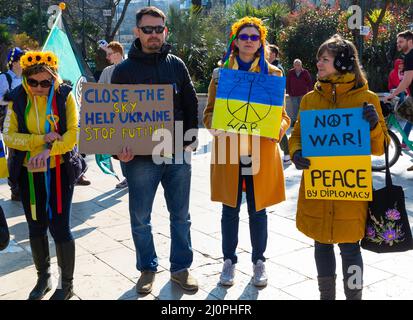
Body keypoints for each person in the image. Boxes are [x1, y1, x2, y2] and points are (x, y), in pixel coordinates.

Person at [289, 34, 388, 300]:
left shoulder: (366, 99)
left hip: (349, 195)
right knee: (321, 245)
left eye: (325, 59)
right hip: (318, 190)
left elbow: (380, 147)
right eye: (318, 58)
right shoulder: (310, 99)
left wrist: (374, 125)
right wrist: (296, 151)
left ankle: (353, 297)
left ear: (343, 63)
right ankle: (326, 296)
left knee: (350, 249)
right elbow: (297, 134)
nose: (318, 63)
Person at [111, 6, 199, 294]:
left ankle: (181, 268)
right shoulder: (122, 71)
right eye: (147, 29)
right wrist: (117, 150)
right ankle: (147, 268)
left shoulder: (177, 64)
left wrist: (190, 138)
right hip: (139, 160)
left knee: (181, 216)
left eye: (158, 29)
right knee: (140, 217)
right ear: (137, 32)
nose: (153, 35)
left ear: (165, 31)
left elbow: (190, 104)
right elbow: (113, 116)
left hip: (176, 153)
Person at [203, 17, 290, 287]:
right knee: (229, 210)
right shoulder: (220, 74)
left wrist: (275, 130)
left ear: (261, 41)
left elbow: (284, 117)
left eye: (255, 37)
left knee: (258, 210)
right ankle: (228, 261)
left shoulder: (274, 74)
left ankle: (259, 261)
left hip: (260, 150)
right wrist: (214, 127)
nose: (249, 41)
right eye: (244, 37)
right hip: (229, 149)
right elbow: (208, 113)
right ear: (235, 41)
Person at [3, 50, 79, 300]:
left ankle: (66, 285)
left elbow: (72, 136)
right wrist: (39, 140)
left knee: (60, 228)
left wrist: (49, 151)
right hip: (28, 175)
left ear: (54, 79)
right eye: (32, 82)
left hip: (59, 172)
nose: (38, 87)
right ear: (25, 79)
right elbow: (9, 136)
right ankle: (43, 278)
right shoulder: (16, 99)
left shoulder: (64, 96)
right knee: (35, 227)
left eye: (45, 82)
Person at [97, 41, 128, 189]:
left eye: (109, 54)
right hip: (114, 117)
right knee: (120, 148)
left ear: (118, 53)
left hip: (131, 117)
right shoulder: (107, 72)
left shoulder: (132, 68)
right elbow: (98, 92)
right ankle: (127, 177)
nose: (107, 57)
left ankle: (133, 177)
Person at [385, 30, 413, 169]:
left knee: (402, 113)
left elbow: (407, 80)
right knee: (405, 115)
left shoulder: (409, 57)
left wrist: (392, 95)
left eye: (401, 42)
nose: (398, 44)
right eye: (397, 42)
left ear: (410, 41)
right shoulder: (407, 56)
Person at [1, 47, 24, 201]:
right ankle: (14, 188)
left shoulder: (26, 78)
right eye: (22, 60)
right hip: (10, 122)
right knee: (14, 154)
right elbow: (0, 99)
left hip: (25, 120)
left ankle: (22, 185)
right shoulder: (4, 78)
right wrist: (16, 99)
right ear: (14, 63)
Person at [268, 44, 291, 165]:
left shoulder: (277, 68)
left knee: (278, 128)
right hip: (270, 102)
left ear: (275, 55)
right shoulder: (268, 66)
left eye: (270, 53)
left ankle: (287, 153)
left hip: (276, 103)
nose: (268, 54)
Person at [286, 59, 312, 126]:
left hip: (303, 94)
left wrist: (310, 92)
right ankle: (295, 122)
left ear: (301, 65)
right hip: (293, 94)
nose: (297, 66)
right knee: (295, 109)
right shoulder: (291, 72)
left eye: (298, 65)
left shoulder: (305, 72)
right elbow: (288, 82)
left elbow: (309, 82)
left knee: (302, 108)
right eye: (296, 65)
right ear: (294, 65)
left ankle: (303, 122)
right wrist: (289, 92)